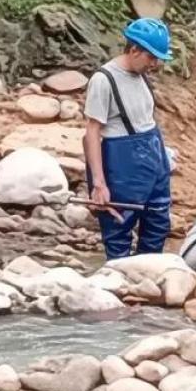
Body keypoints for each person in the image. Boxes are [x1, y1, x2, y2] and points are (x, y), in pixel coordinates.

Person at [82, 18, 174, 259]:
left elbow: (145, 120)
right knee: (119, 230)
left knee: (157, 225)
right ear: (134, 50)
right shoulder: (104, 80)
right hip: (122, 166)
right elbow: (91, 133)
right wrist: (99, 184)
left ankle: (148, 285)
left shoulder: (140, 74)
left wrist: (164, 158)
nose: (155, 64)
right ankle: (118, 287)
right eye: (151, 57)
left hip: (154, 160)